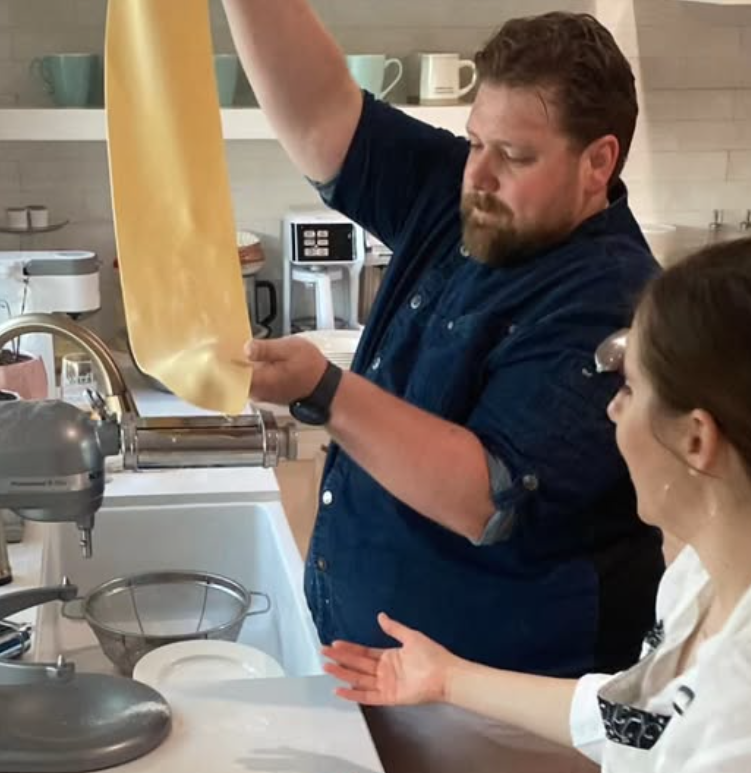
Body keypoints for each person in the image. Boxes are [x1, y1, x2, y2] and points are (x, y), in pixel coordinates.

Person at [321, 235, 751, 772]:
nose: (612, 410)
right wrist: (448, 678)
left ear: (697, 437)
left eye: (629, 388)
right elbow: (646, 720)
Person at [225, 6, 665, 677]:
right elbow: (321, 115)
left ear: (597, 161)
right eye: (474, 140)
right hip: (388, 675)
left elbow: (485, 495)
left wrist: (323, 391)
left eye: (514, 154)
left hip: (499, 709)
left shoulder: (613, 301)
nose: (477, 175)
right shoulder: (472, 190)